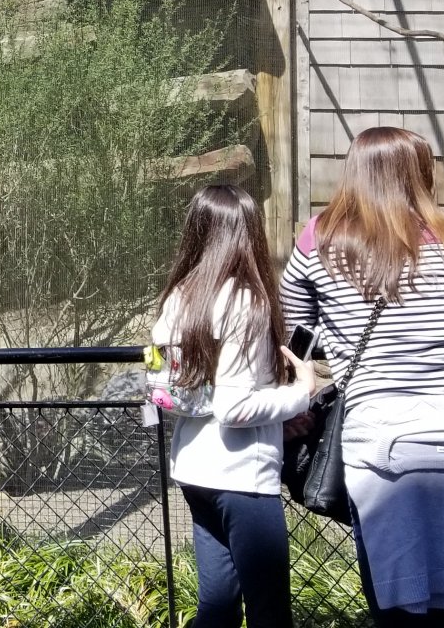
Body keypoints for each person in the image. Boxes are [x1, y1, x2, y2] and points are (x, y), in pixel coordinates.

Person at [280, 126, 444, 626]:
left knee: (403, 609)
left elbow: (296, 338)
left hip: (388, 443)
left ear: (354, 171)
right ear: (421, 174)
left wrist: (302, 390)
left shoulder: (320, 240)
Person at [149, 184, 315, 628]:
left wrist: (278, 415)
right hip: (243, 477)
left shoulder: (179, 298)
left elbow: (186, 389)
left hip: (194, 471)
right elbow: (234, 407)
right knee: (269, 611)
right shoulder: (246, 301)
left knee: (218, 606)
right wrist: (302, 391)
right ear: (248, 234)